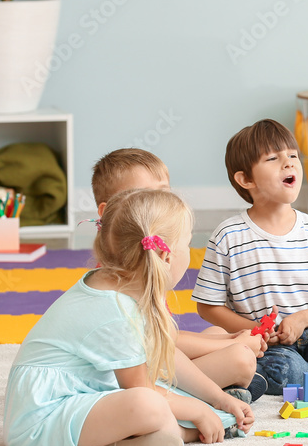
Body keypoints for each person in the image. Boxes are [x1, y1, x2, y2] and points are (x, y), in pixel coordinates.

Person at [4, 189, 254, 446]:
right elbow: (142, 390)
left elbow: (166, 355)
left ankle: (157, 434)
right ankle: (179, 433)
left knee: (169, 394)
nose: (190, 252)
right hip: (41, 423)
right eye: (188, 243)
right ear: (166, 256)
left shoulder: (125, 286)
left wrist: (218, 399)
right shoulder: (116, 310)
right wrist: (198, 410)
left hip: (85, 395)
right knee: (150, 404)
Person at [191, 119, 308, 396]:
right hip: (263, 341)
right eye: (273, 158)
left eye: (293, 156)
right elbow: (207, 307)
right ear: (246, 179)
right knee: (292, 375)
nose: (289, 163)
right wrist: (253, 330)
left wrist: (301, 320)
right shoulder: (227, 236)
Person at [91, 148, 268, 403]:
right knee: (240, 358)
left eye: (163, 194)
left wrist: (229, 339)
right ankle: (212, 394)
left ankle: (221, 386)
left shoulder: (146, 262)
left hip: (155, 358)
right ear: (109, 212)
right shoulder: (120, 280)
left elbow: (166, 340)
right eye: (143, 197)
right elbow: (161, 346)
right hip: (131, 381)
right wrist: (231, 346)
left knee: (218, 333)